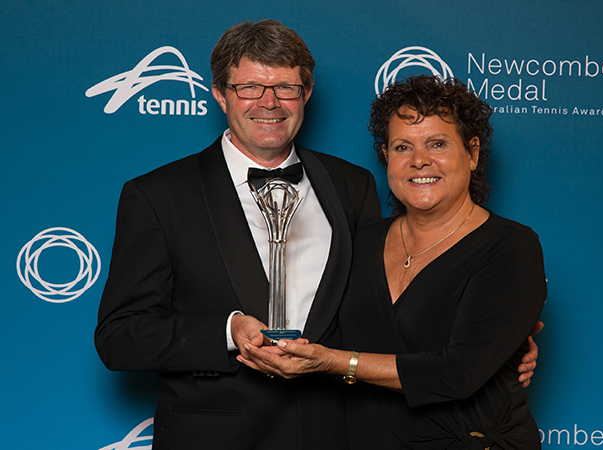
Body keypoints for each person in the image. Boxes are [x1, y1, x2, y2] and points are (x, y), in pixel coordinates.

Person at [94, 20, 539, 450]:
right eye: (249, 87)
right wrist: (228, 331)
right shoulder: (158, 196)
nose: (269, 102)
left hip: (339, 431)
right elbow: (120, 336)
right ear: (218, 95)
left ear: (305, 93)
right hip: (216, 435)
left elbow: (381, 308)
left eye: (285, 87)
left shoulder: (350, 185)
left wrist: (500, 347)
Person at [240, 75, 547, 449]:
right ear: (386, 156)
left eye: (438, 144)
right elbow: (322, 322)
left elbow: (459, 373)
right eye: (403, 147)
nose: (420, 161)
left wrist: (333, 362)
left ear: (472, 153)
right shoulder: (363, 240)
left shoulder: (511, 246)